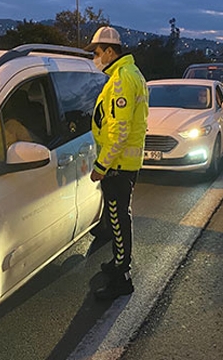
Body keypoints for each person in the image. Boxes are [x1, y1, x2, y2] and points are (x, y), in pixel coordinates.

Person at [84, 26, 149, 301]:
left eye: (97, 53)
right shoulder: (129, 74)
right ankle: (117, 262)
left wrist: (102, 166)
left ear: (110, 51)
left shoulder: (122, 79)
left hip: (118, 165)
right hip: (123, 163)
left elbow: (119, 131)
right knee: (117, 217)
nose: (95, 58)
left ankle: (122, 276)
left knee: (119, 218)